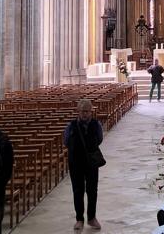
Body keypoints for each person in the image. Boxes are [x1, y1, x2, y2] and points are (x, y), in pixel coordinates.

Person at [64, 99, 104, 230]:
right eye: (82, 112)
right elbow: (66, 141)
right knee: (78, 190)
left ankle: (92, 218)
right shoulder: (71, 125)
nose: (84, 114)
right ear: (78, 112)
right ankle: (79, 219)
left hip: (91, 161)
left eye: (86, 111)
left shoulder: (96, 124)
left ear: (90, 112)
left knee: (92, 190)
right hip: (75, 162)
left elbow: (99, 138)